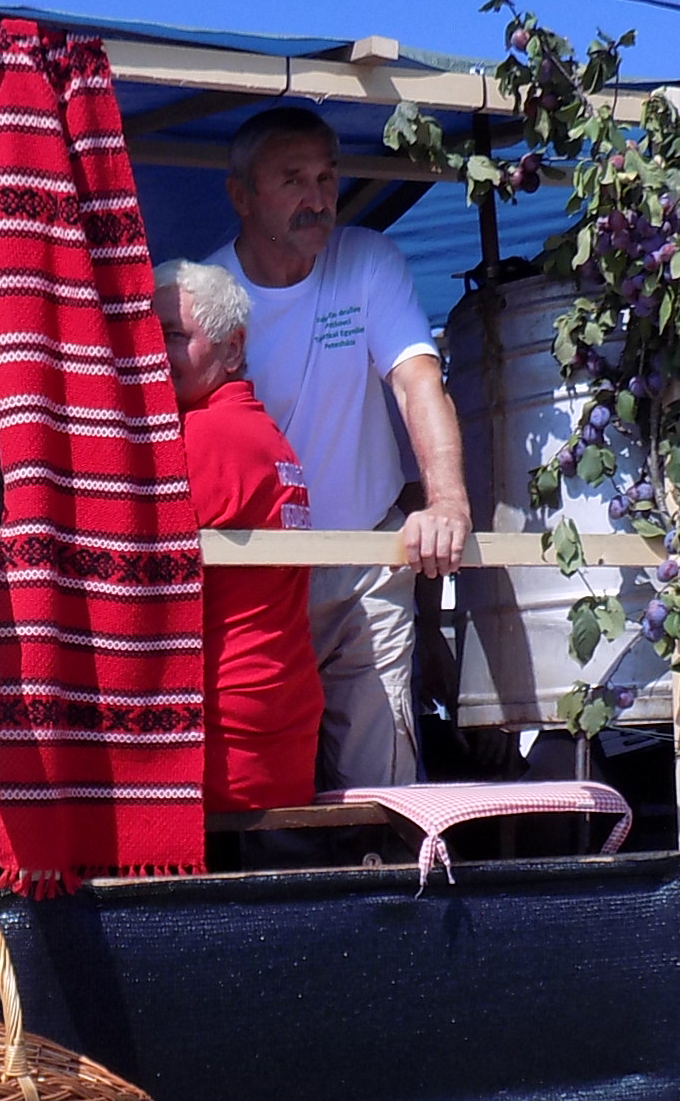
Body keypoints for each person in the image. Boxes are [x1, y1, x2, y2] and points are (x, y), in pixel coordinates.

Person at [206, 105, 471, 790]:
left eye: (326, 177)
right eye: (292, 179)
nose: (317, 197)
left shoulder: (367, 262)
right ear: (240, 195)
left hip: (368, 554)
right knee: (267, 774)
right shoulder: (204, 299)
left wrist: (447, 505)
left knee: (381, 768)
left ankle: (383, 889)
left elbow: (419, 384)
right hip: (259, 567)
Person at [154, 260, 322, 812]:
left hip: (225, 751)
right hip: (275, 730)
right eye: (148, 336)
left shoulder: (209, 434)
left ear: (232, 349)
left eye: (175, 337)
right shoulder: (265, 434)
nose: (156, 353)